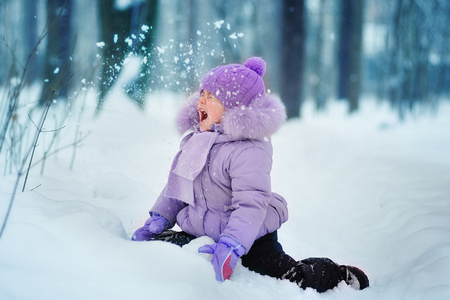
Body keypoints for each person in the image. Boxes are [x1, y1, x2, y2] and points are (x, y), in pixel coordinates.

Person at [132, 57, 369, 293]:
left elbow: (250, 204)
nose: (200, 102)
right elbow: (179, 185)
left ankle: (335, 274)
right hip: (202, 230)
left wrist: (232, 244)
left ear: (232, 107)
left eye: (210, 97)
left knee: (288, 278)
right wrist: (160, 217)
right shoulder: (197, 140)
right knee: (162, 245)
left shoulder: (249, 150)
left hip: (251, 237)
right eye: (201, 94)